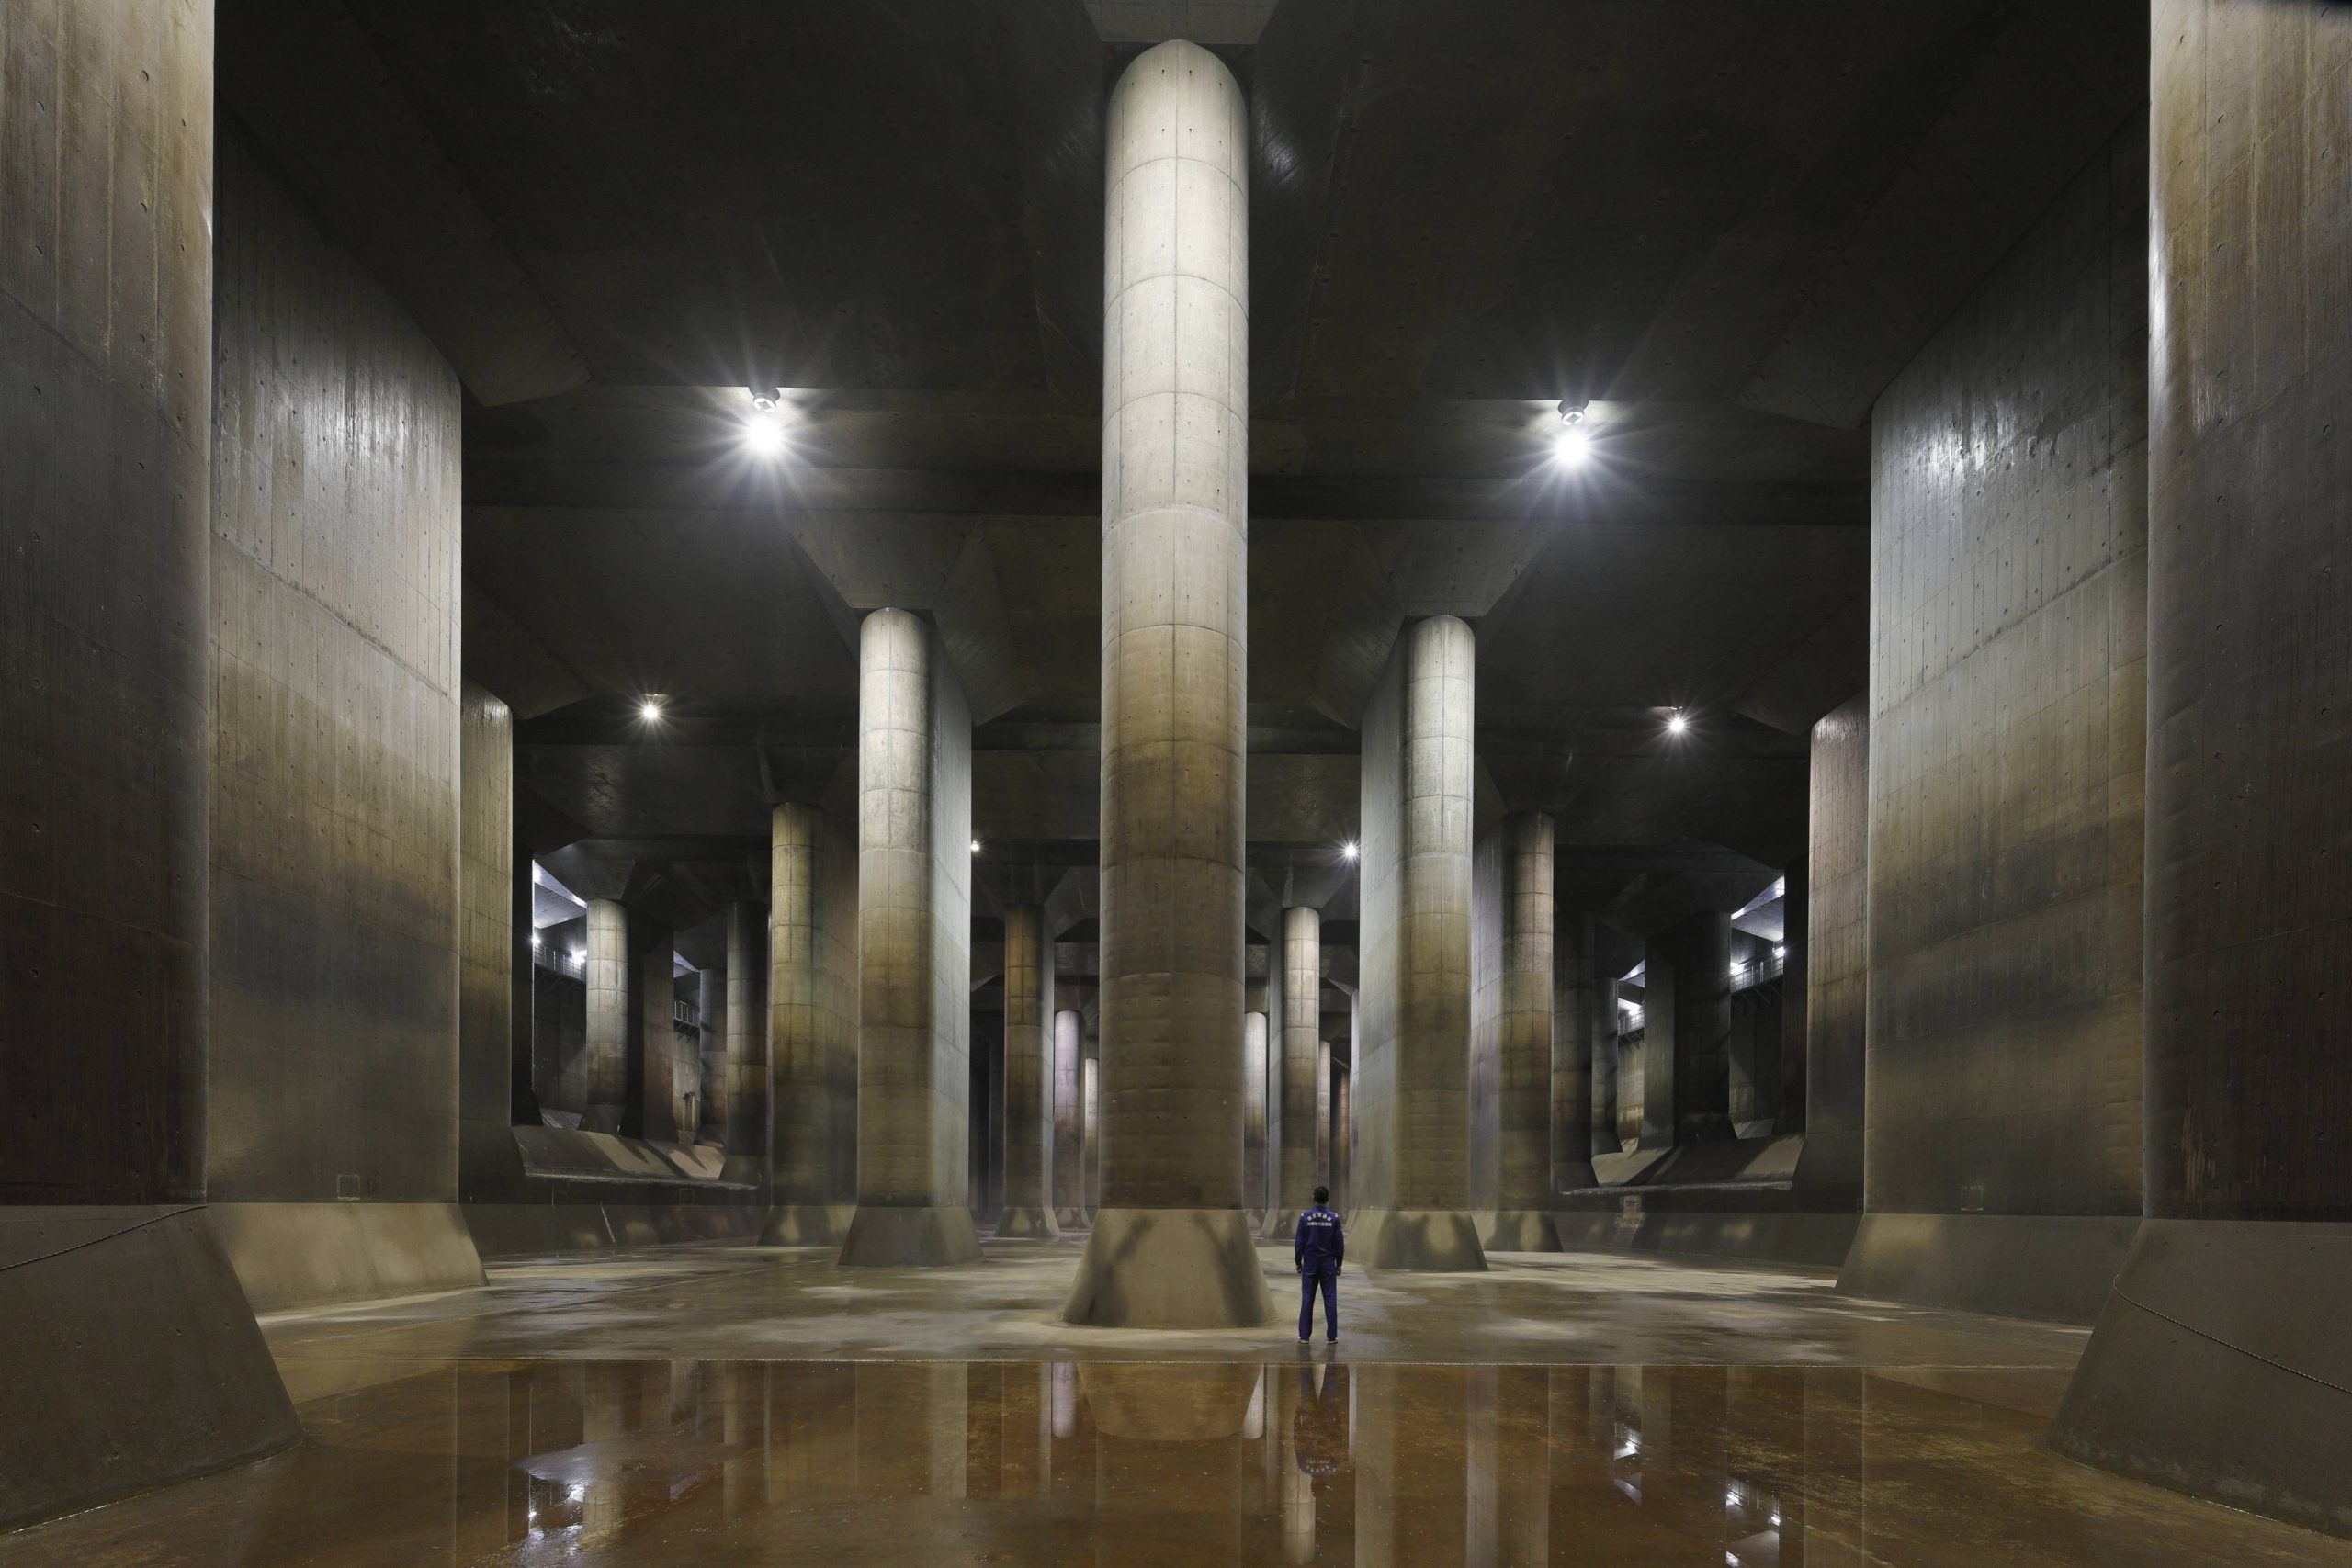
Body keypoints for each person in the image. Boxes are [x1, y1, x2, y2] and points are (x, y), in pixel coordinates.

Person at [1293, 1185, 1344, 1343]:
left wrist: (1298, 1261)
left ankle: (1304, 1336)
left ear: (1313, 1198)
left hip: (1310, 1262)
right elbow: (1339, 1244)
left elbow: (1299, 1242)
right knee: (1330, 1297)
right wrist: (1339, 1263)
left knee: (1308, 1297)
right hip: (1328, 1262)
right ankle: (1331, 1336)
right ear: (1327, 1199)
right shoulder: (1334, 1218)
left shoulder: (1304, 1217)